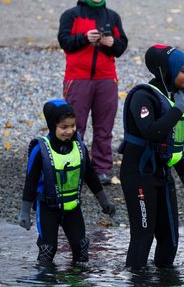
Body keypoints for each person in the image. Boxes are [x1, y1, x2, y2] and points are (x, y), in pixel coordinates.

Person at [119, 45, 184, 269]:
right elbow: (151, 131)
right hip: (138, 174)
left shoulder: (174, 98)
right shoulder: (143, 96)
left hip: (162, 174)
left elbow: (173, 143)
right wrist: (177, 110)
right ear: (167, 72)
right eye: (183, 70)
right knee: (143, 235)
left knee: (170, 238)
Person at [18, 99, 116, 264]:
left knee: (82, 247)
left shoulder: (80, 148)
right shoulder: (40, 150)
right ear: (52, 126)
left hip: (73, 208)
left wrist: (104, 202)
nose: (69, 131)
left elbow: (90, 176)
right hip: (48, 208)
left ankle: (77, 284)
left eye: (73, 126)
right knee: (49, 248)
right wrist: (24, 212)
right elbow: (31, 182)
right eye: (63, 127)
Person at [57, 0, 128, 185]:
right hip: (77, 78)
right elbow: (65, 41)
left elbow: (122, 45)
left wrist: (111, 44)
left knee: (104, 127)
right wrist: (85, 38)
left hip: (106, 79)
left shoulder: (112, 16)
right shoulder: (71, 15)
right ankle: (73, 166)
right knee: (73, 126)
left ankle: (102, 169)